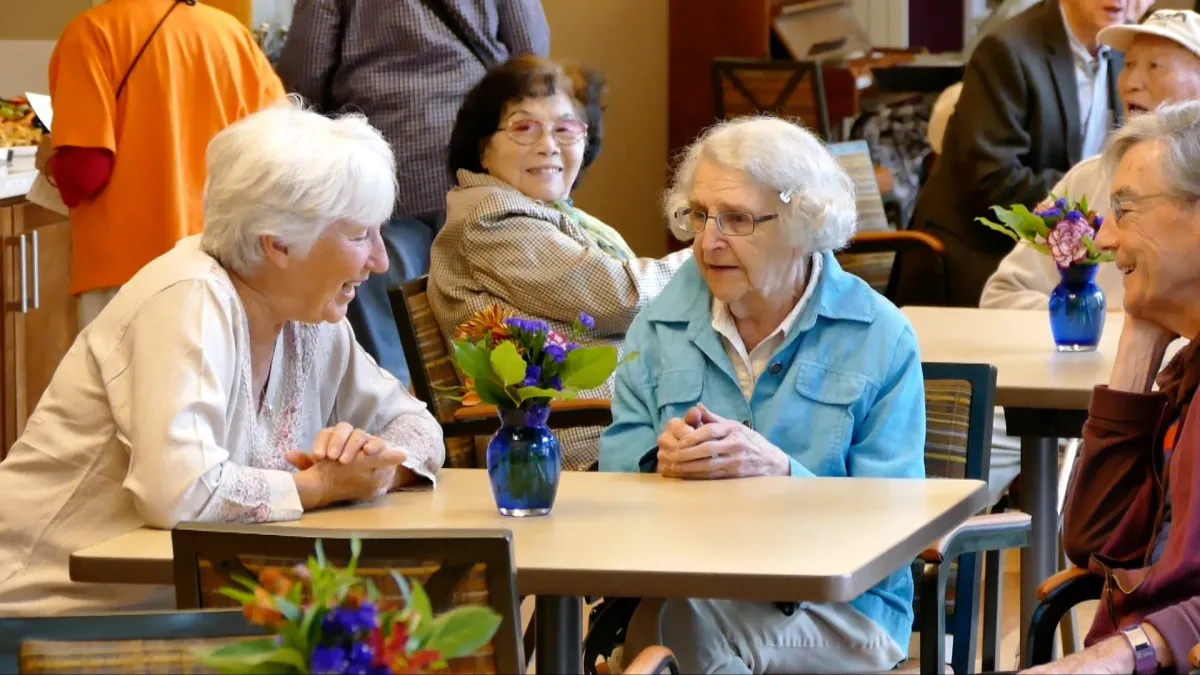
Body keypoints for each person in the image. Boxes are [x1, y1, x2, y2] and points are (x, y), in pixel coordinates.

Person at [0, 103, 444, 616]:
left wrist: (376, 465)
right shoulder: (187, 297)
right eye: (358, 235)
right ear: (278, 243)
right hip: (49, 616)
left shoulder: (306, 312)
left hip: (183, 611)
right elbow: (181, 491)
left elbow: (415, 423)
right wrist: (322, 485)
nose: (380, 260)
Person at [600, 117, 925, 674]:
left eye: (737, 219)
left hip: (842, 609)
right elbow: (616, 481)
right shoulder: (658, 327)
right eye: (699, 215)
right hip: (687, 587)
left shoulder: (877, 334)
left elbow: (893, 521)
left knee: (671, 639)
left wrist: (782, 476)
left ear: (804, 224)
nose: (708, 240)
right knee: (678, 624)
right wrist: (660, 466)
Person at [428, 55, 692, 471]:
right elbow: (623, 296)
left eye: (565, 129)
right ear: (483, 148)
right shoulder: (491, 219)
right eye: (524, 127)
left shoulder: (554, 215)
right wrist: (714, 248)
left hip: (630, 426)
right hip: (565, 444)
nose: (548, 144)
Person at [278, 0, 550, 385]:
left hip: (382, 166)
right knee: (491, 340)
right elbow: (531, 50)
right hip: (480, 164)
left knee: (387, 352)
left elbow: (302, 74)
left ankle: (397, 434)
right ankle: (484, 436)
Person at [1023, 101, 1200, 675]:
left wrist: (1131, 650)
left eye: (1125, 210)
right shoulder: (1186, 371)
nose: (1107, 240)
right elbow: (1094, 542)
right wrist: (1139, 343)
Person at [41, 0, 286, 329]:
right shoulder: (232, 36)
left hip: (124, 275)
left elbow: (85, 173)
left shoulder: (92, 34)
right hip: (223, 267)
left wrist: (48, 161)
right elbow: (282, 153)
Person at [899, 0, 1129, 308]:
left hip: (1064, 249)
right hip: (978, 250)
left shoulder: (1122, 55)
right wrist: (1089, 202)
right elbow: (992, 179)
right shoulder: (1007, 50)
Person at [982, 8, 1200, 310]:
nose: (1131, 82)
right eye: (1130, 64)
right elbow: (1003, 294)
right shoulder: (1088, 180)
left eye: (1154, 66)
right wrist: (1093, 319)